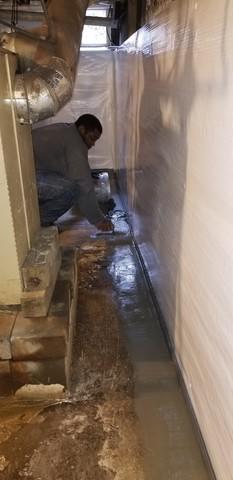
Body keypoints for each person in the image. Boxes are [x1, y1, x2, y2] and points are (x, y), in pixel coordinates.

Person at [32, 114, 113, 232]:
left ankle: (37, 217)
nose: (93, 144)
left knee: (68, 183)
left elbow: (74, 172)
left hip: (27, 173)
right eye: (92, 138)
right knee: (73, 190)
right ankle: (39, 224)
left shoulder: (66, 131)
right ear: (82, 130)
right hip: (23, 179)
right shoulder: (75, 142)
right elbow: (83, 184)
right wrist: (99, 220)